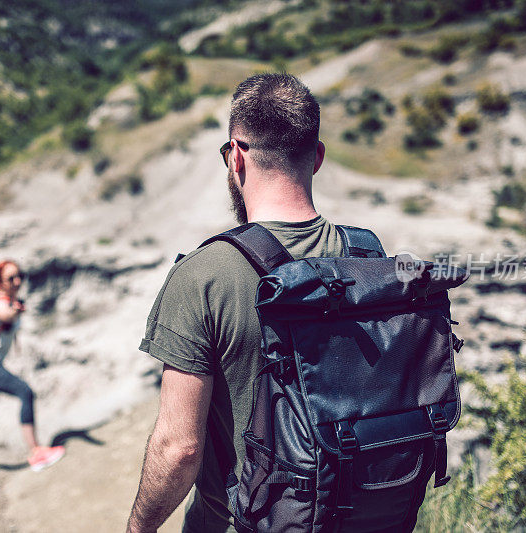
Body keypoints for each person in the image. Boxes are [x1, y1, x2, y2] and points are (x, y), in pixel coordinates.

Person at [128, 73, 353, 533]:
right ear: (318, 157)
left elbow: (179, 449)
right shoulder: (366, 257)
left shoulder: (204, 276)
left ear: (236, 156)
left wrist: (137, 529)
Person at [0, 259, 65, 472]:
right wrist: (15, 308)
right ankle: (37, 453)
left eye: (19, 276)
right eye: (11, 278)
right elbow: (4, 314)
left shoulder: (3, 300)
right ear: (0, 281)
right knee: (25, 392)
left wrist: (15, 305)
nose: (17, 281)